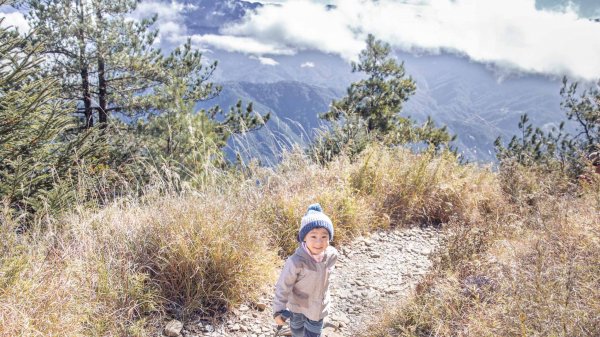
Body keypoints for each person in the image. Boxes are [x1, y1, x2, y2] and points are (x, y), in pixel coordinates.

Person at [272, 203, 339, 337]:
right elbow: (283, 286)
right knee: (297, 331)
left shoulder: (332, 255)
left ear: (329, 238)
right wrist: (278, 310)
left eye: (324, 237)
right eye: (313, 236)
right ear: (304, 238)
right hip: (297, 307)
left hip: (319, 309)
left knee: (313, 334)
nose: (319, 242)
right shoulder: (296, 262)